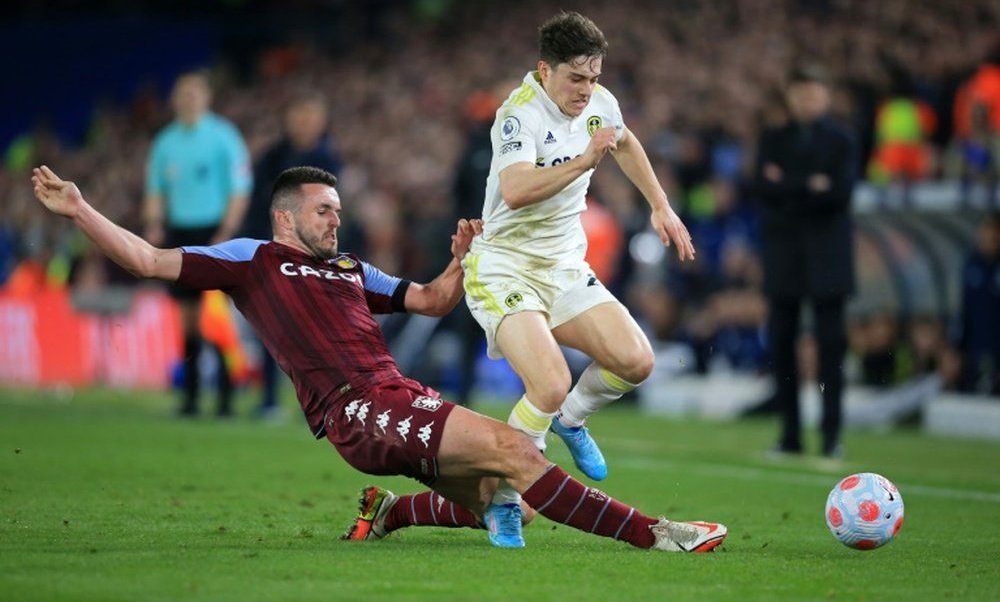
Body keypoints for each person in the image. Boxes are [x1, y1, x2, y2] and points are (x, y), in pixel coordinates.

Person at [31, 164, 727, 554]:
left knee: (508, 501)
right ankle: (656, 532)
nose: (337, 220)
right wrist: (82, 210)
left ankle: (389, 512)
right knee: (518, 450)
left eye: (337, 209)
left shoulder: (348, 266)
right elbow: (151, 259)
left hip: (394, 396)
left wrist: (459, 261)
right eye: (324, 210)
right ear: (285, 217)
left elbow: (426, 300)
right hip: (357, 408)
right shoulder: (255, 259)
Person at [462, 11, 695, 544]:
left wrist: (660, 205)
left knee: (636, 360)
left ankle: (571, 419)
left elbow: (626, 143)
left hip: (565, 265)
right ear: (545, 70)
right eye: (576, 78)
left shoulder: (600, 101)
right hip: (504, 266)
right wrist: (587, 158)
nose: (587, 91)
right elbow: (517, 189)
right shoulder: (517, 115)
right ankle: (504, 501)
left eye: (594, 78)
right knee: (546, 380)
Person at [752, 64, 858, 458]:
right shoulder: (773, 138)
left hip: (829, 261)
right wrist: (811, 184)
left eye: (814, 94)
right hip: (786, 258)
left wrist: (787, 185)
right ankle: (789, 435)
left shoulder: (842, 140)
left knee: (832, 346)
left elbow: (840, 194)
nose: (808, 102)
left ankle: (832, 436)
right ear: (790, 97)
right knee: (782, 344)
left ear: (826, 97)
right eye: (801, 94)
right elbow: (762, 189)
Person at [143, 71, 253, 417]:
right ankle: (190, 398)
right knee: (188, 320)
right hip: (180, 233)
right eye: (183, 94)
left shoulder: (224, 137)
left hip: (214, 232)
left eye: (194, 93)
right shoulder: (165, 143)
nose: (188, 100)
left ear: (206, 98)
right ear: (175, 100)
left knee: (217, 319)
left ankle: (226, 398)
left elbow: (239, 188)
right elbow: (155, 190)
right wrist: (155, 224)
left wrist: (227, 230)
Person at [240, 91, 343, 417]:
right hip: (274, 251)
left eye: (311, 117)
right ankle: (269, 399)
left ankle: (325, 401)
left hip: (314, 255)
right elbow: (258, 204)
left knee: (316, 330)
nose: (305, 123)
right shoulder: (272, 157)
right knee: (273, 326)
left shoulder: (330, 161)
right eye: (300, 116)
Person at [953, 212, 1000, 395]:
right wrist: (956, 348)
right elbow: (964, 311)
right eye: (986, 234)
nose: (990, 239)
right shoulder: (971, 265)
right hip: (975, 349)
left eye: (995, 235)